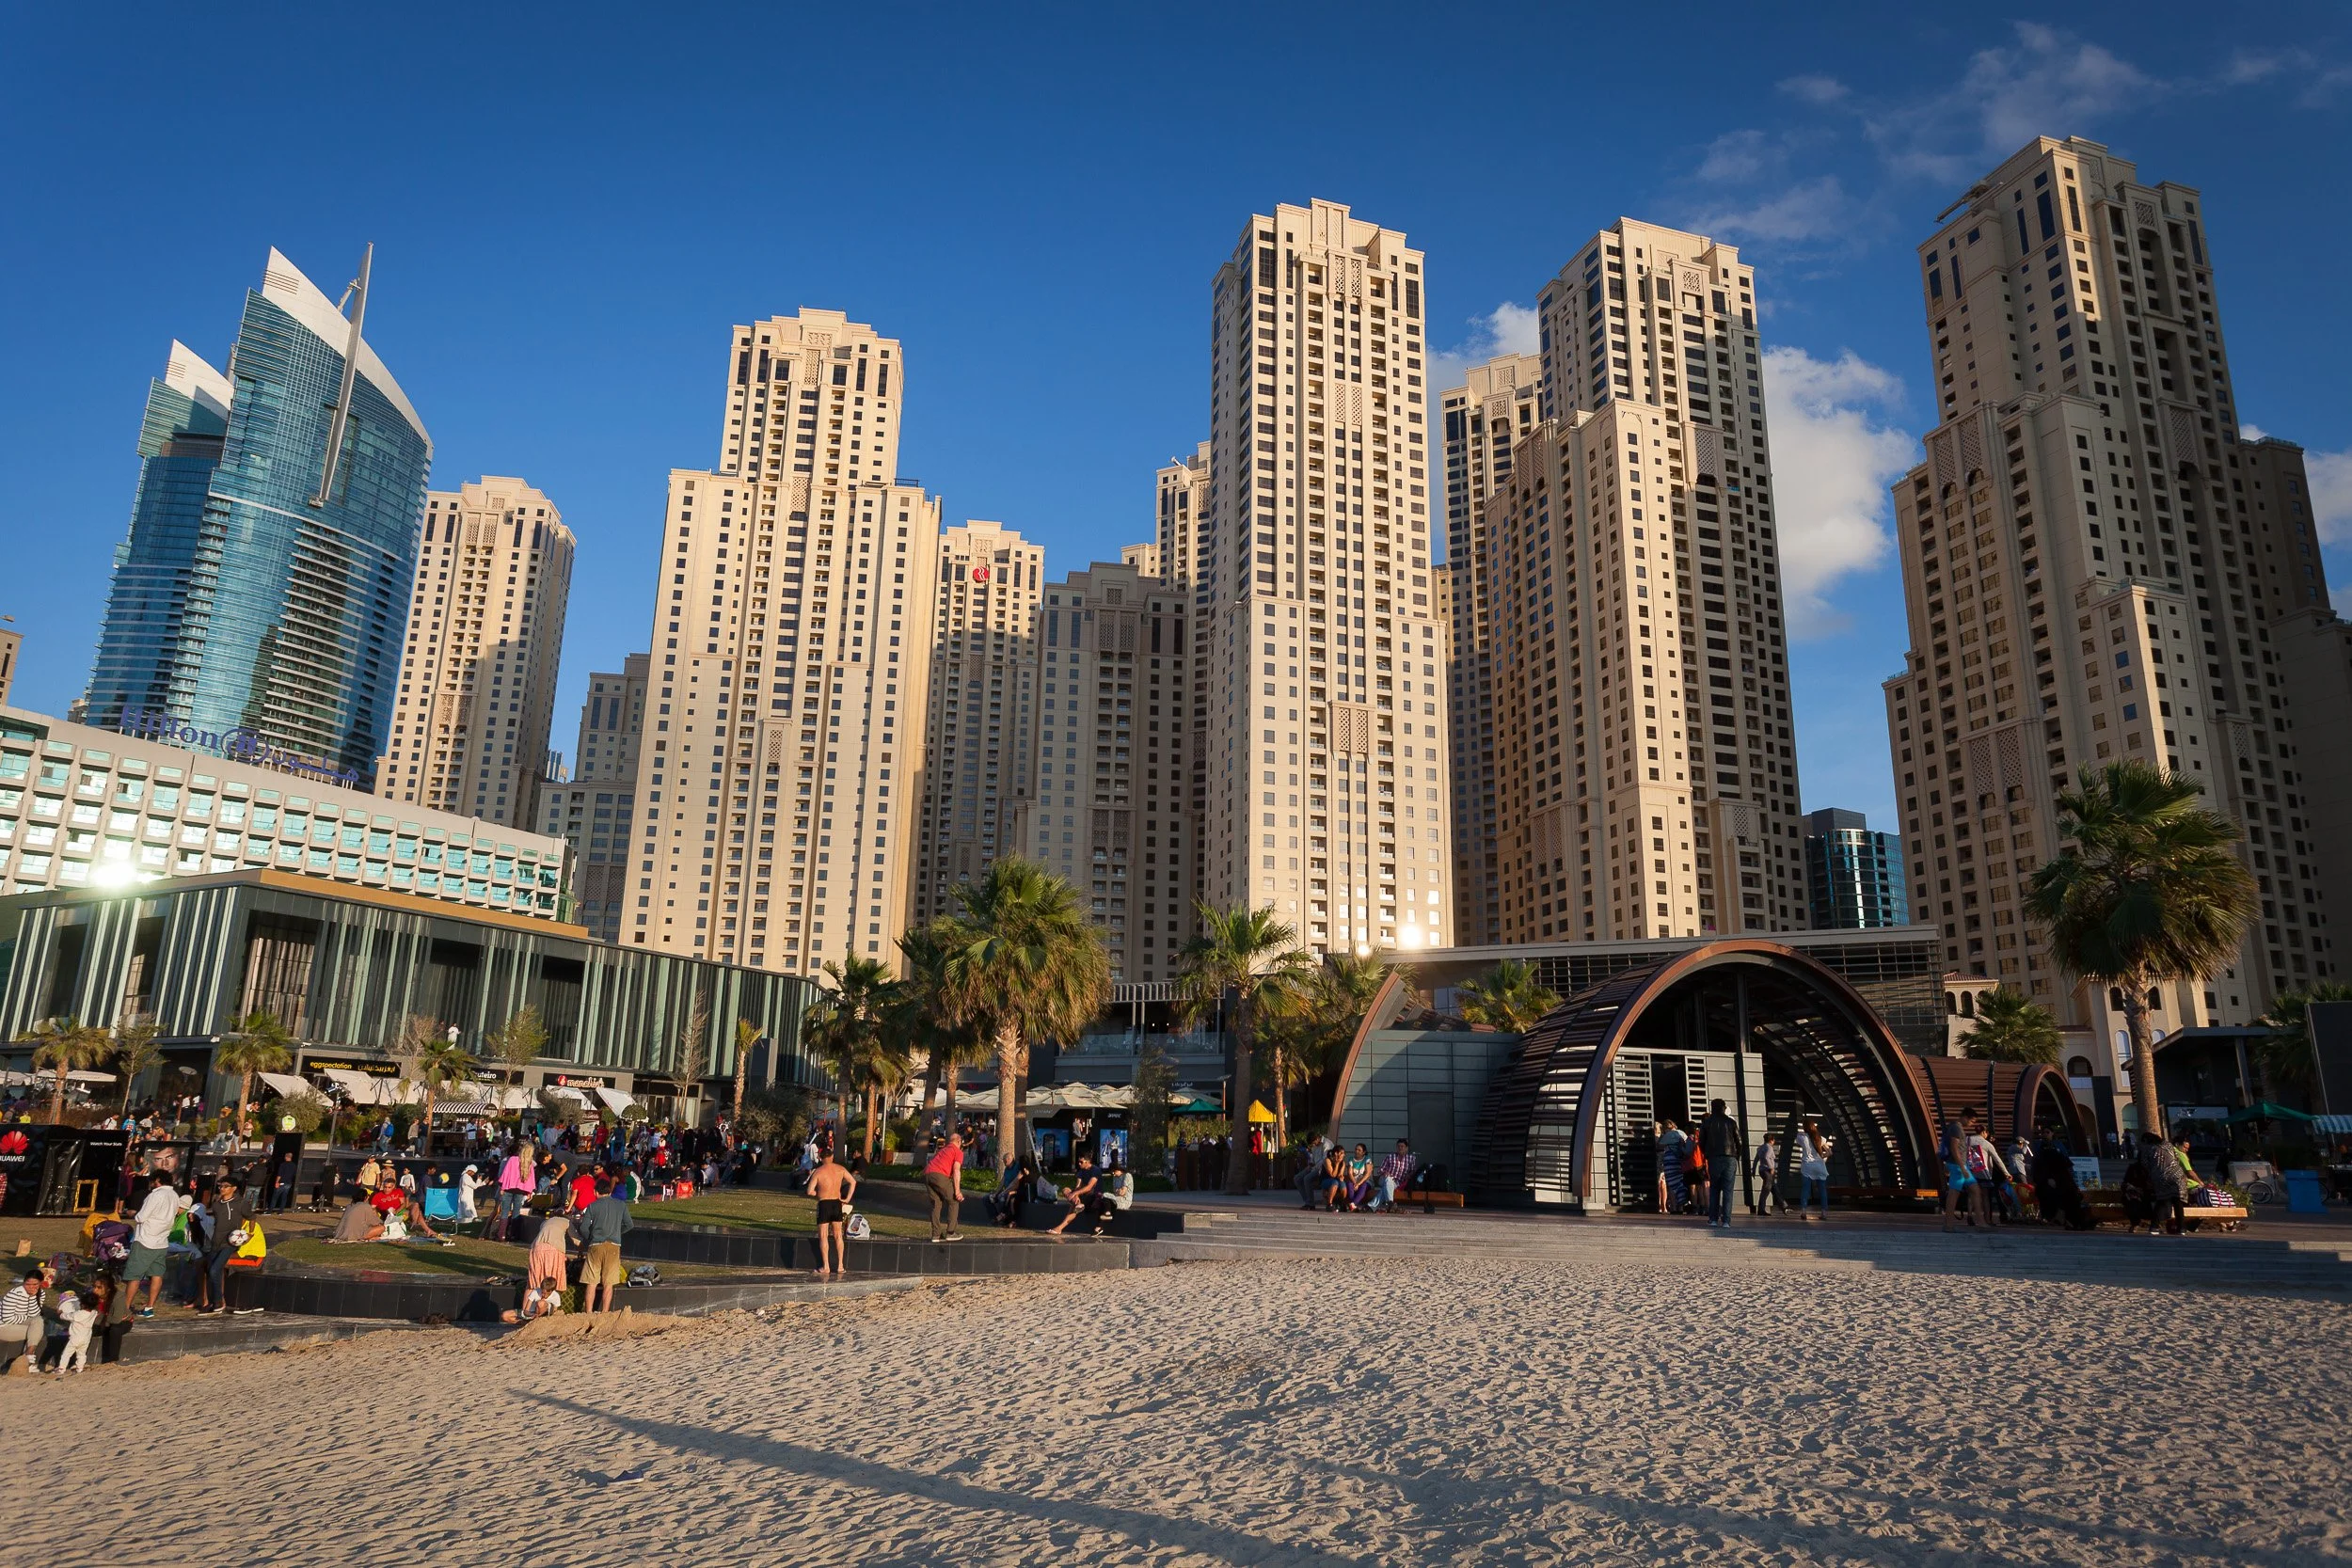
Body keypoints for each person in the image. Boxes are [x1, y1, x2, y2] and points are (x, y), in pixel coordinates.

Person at [125, 1171, 179, 1318]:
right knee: (157, 1275)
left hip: (145, 1240)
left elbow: (141, 1217)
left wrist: (133, 1214)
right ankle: (149, 1307)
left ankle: (125, 1307)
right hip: (162, 1241)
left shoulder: (155, 1195)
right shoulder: (174, 1196)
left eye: (152, 1181)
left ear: (158, 1180)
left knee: (134, 1276)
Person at [579, 1173, 633, 1313]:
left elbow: (583, 1228)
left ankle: (589, 1312)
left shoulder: (592, 1206)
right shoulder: (621, 1205)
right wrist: (617, 1232)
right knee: (609, 1283)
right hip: (614, 1246)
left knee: (591, 1281)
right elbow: (629, 1224)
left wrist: (591, 1237)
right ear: (610, 1191)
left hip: (596, 1245)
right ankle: (605, 1313)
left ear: (596, 1192)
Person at [196, 1174, 248, 1314]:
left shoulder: (241, 1203)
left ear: (234, 1188)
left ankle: (218, 1301)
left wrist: (246, 1234)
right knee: (211, 1271)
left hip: (230, 1243)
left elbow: (251, 1218)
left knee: (214, 1270)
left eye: (225, 1186)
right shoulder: (217, 1205)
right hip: (216, 1242)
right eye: (220, 1186)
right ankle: (215, 1302)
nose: (222, 1189)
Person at [806, 1147, 856, 1277]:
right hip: (836, 1203)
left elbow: (809, 1191)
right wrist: (847, 1198)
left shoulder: (819, 1171)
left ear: (821, 1158)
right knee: (838, 1235)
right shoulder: (840, 1169)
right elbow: (853, 1181)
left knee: (823, 1235)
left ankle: (826, 1266)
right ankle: (840, 1266)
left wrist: (818, 1192)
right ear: (832, 1157)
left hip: (824, 1203)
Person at [1697, 1100, 1740, 1229]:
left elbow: (1701, 1142)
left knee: (1714, 1188)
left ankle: (1713, 1219)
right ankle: (1726, 1221)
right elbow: (1738, 1141)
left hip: (1714, 1158)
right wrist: (1736, 1155)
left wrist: (1708, 1153)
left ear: (1712, 1108)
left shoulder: (1707, 1123)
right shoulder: (1731, 1122)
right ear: (1723, 1107)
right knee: (1728, 1190)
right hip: (1730, 1157)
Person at [1940, 1110, 1984, 1233]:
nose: (1971, 1124)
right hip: (1958, 1166)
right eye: (1971, 1121)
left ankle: (1981, 1223)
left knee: (1975, 1190)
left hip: (1958, 1165)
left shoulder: (1954, 1127)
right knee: (1953, 1195)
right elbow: (1954, 1148)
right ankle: (1948, 1225)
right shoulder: (1956, 1128)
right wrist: (1963, 1167)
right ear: (1965, 1117)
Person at [2138, 1129, 2187, 1237]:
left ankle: (2154, 1226)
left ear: (2146, 1140)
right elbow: (2177, 1158)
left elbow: (2144, 1165)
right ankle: (2182, 1228)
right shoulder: (2168, 1145)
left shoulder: (2148, 1149)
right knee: (2178, 1202)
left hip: (2161, 1177)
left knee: (2162, 1201)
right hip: (2177, 1175)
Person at [0, 1265, 47, 1375]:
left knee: (38, 1321)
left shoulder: (41, 1294)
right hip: (4, 1326)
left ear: (40, 1283)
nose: (31, 1287)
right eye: (28, 1284)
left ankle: (28, 1356)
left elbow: (34, 1315)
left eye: (35, 1284)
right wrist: (26, 1318)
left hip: (19, 1322)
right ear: (24, 1282)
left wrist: (32, 1298)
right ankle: (29, 1363)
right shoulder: (14, 1295)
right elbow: (7, 1318)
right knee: (36, 1332)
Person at [924, 1132, 965, 1244]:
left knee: (936, 1204)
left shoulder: (943, 1150)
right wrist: (957, 1191)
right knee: (954, 1201)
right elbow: (956, 1170)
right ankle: (951, 1232)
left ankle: (936, 1235)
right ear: (959, 1141)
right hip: (939, 1175)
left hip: (927, 1174)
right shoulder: (957, 1151)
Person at [1049, 1154, 1102, 1238]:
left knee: (1073, 1206)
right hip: (1082, 1196)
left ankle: (1059, 1228)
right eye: (1078, 1162)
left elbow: (1089, 1187)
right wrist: (1076, 1195)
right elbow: (1078, 1186)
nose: (1079, 1164)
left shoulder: (1095, 1170)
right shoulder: (1080, 1171)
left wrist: (1075, 1193)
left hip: (1093, 1196)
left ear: (1087, 1162)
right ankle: (1078, 1204)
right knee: (1065, 1190)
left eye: (1081, 1162)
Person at [1795, 1119, 1834, 1223]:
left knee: (1805, 1189)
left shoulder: (1802, 1137)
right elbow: (1829, 1153)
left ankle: (1803, 1211)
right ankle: (1824, 1213)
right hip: (1820, 1166)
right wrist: (1821, 1156)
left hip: (1807, 1166)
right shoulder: (1820, 1138)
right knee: (1822, 1190)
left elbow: (1798, 1140)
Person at [53, 1284, 96, 1374]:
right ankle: (80, 1368)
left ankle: (61, 1369)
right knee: (81, 1354)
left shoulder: (77, 1314)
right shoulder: (94, 1313)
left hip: (75, 1338)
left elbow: (66, 1316)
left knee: (66, 1353)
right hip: (86, 1338)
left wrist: (60, 1313)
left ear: (82, 1304)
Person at [1657, 1120, 1691, 1214]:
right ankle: (1680, 1207)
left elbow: (1659, 1145)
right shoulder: (1680, 1133)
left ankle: (1674, 1207)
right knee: (1680, 1183)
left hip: (1668, 1161)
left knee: (1671, 1184)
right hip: (1678, 1160)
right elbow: (1687, 1143)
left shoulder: (1665, 1136)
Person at [1375, 1139, 1419, 1213]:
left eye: (1402, 1146)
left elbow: (1414, 1171)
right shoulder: (1390, 1156)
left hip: (1398, 1182)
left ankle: (1371, 1206)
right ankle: (1391, 1203)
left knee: (1386, 1188)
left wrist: (1409, 1175)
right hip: (1384, 1179)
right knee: (1388, 1180)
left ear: (1406, 1148)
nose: (1400, 1148)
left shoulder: (1411, 1158)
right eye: (1398, 1146)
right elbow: (1380, 1170)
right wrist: (1385, 1173)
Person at [1294, 1132, 1335, 1210]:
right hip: (1314, 1166)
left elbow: (1324, 1160)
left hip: (1323, 1169)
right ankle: (1307, 1201)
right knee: (1297, 1178)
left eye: (1313, 1143)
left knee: (1307, 1179)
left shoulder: (1326, 1144)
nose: (1313, 1145)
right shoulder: (1314, 1146)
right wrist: (1310, 1164)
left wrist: (1314, 1168)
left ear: (1317, 1139)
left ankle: (1310, 1204)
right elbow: (1312, 1158)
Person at [1751, 1132, 1784, 1217]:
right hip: (1767, 1171)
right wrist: (1771, 1168)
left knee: (1774, 1188)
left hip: (1762, 1170)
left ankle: (1784, 1206)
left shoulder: (1760, 1148)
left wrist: (1753, 1170)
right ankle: (1761, 1209)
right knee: (1766, 1190)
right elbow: (1766, 1157)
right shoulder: (1769, 1148)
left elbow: (1756, 1159)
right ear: (1771, 1140)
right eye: (1773, 1140)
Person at [1343, 1144, 1375, 1212]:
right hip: (1354, 1181)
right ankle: (1354, 1205)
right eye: (1356, 1149)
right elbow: (1350, 1173)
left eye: (1359, 1150)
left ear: (1363, 1152)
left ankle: (1353, 1203)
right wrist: (1355, 1183)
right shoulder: (1351, 1159)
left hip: (1366, 1181)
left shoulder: (1367, 1159)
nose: (1357, 1151)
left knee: (1363, 1185)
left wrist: (1358, 1184)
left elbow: (1367, 1174)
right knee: (1349, 1184)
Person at [1319, 1142, 1349, 1212]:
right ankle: (1330, 1204)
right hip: (1325, 1180)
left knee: (1343, 1184)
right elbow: (1332, 1175)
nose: (1343, 1155)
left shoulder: (1343, 1163)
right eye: (1341, 1153)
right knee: (1335, 1182)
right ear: (1336, 1153)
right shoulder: (1327, 1160)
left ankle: (1342, 1203)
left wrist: (1341, 1177)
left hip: (1336, 1180)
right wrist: (1337, 1164)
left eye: (1343, 1153)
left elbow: (1339, 1175)